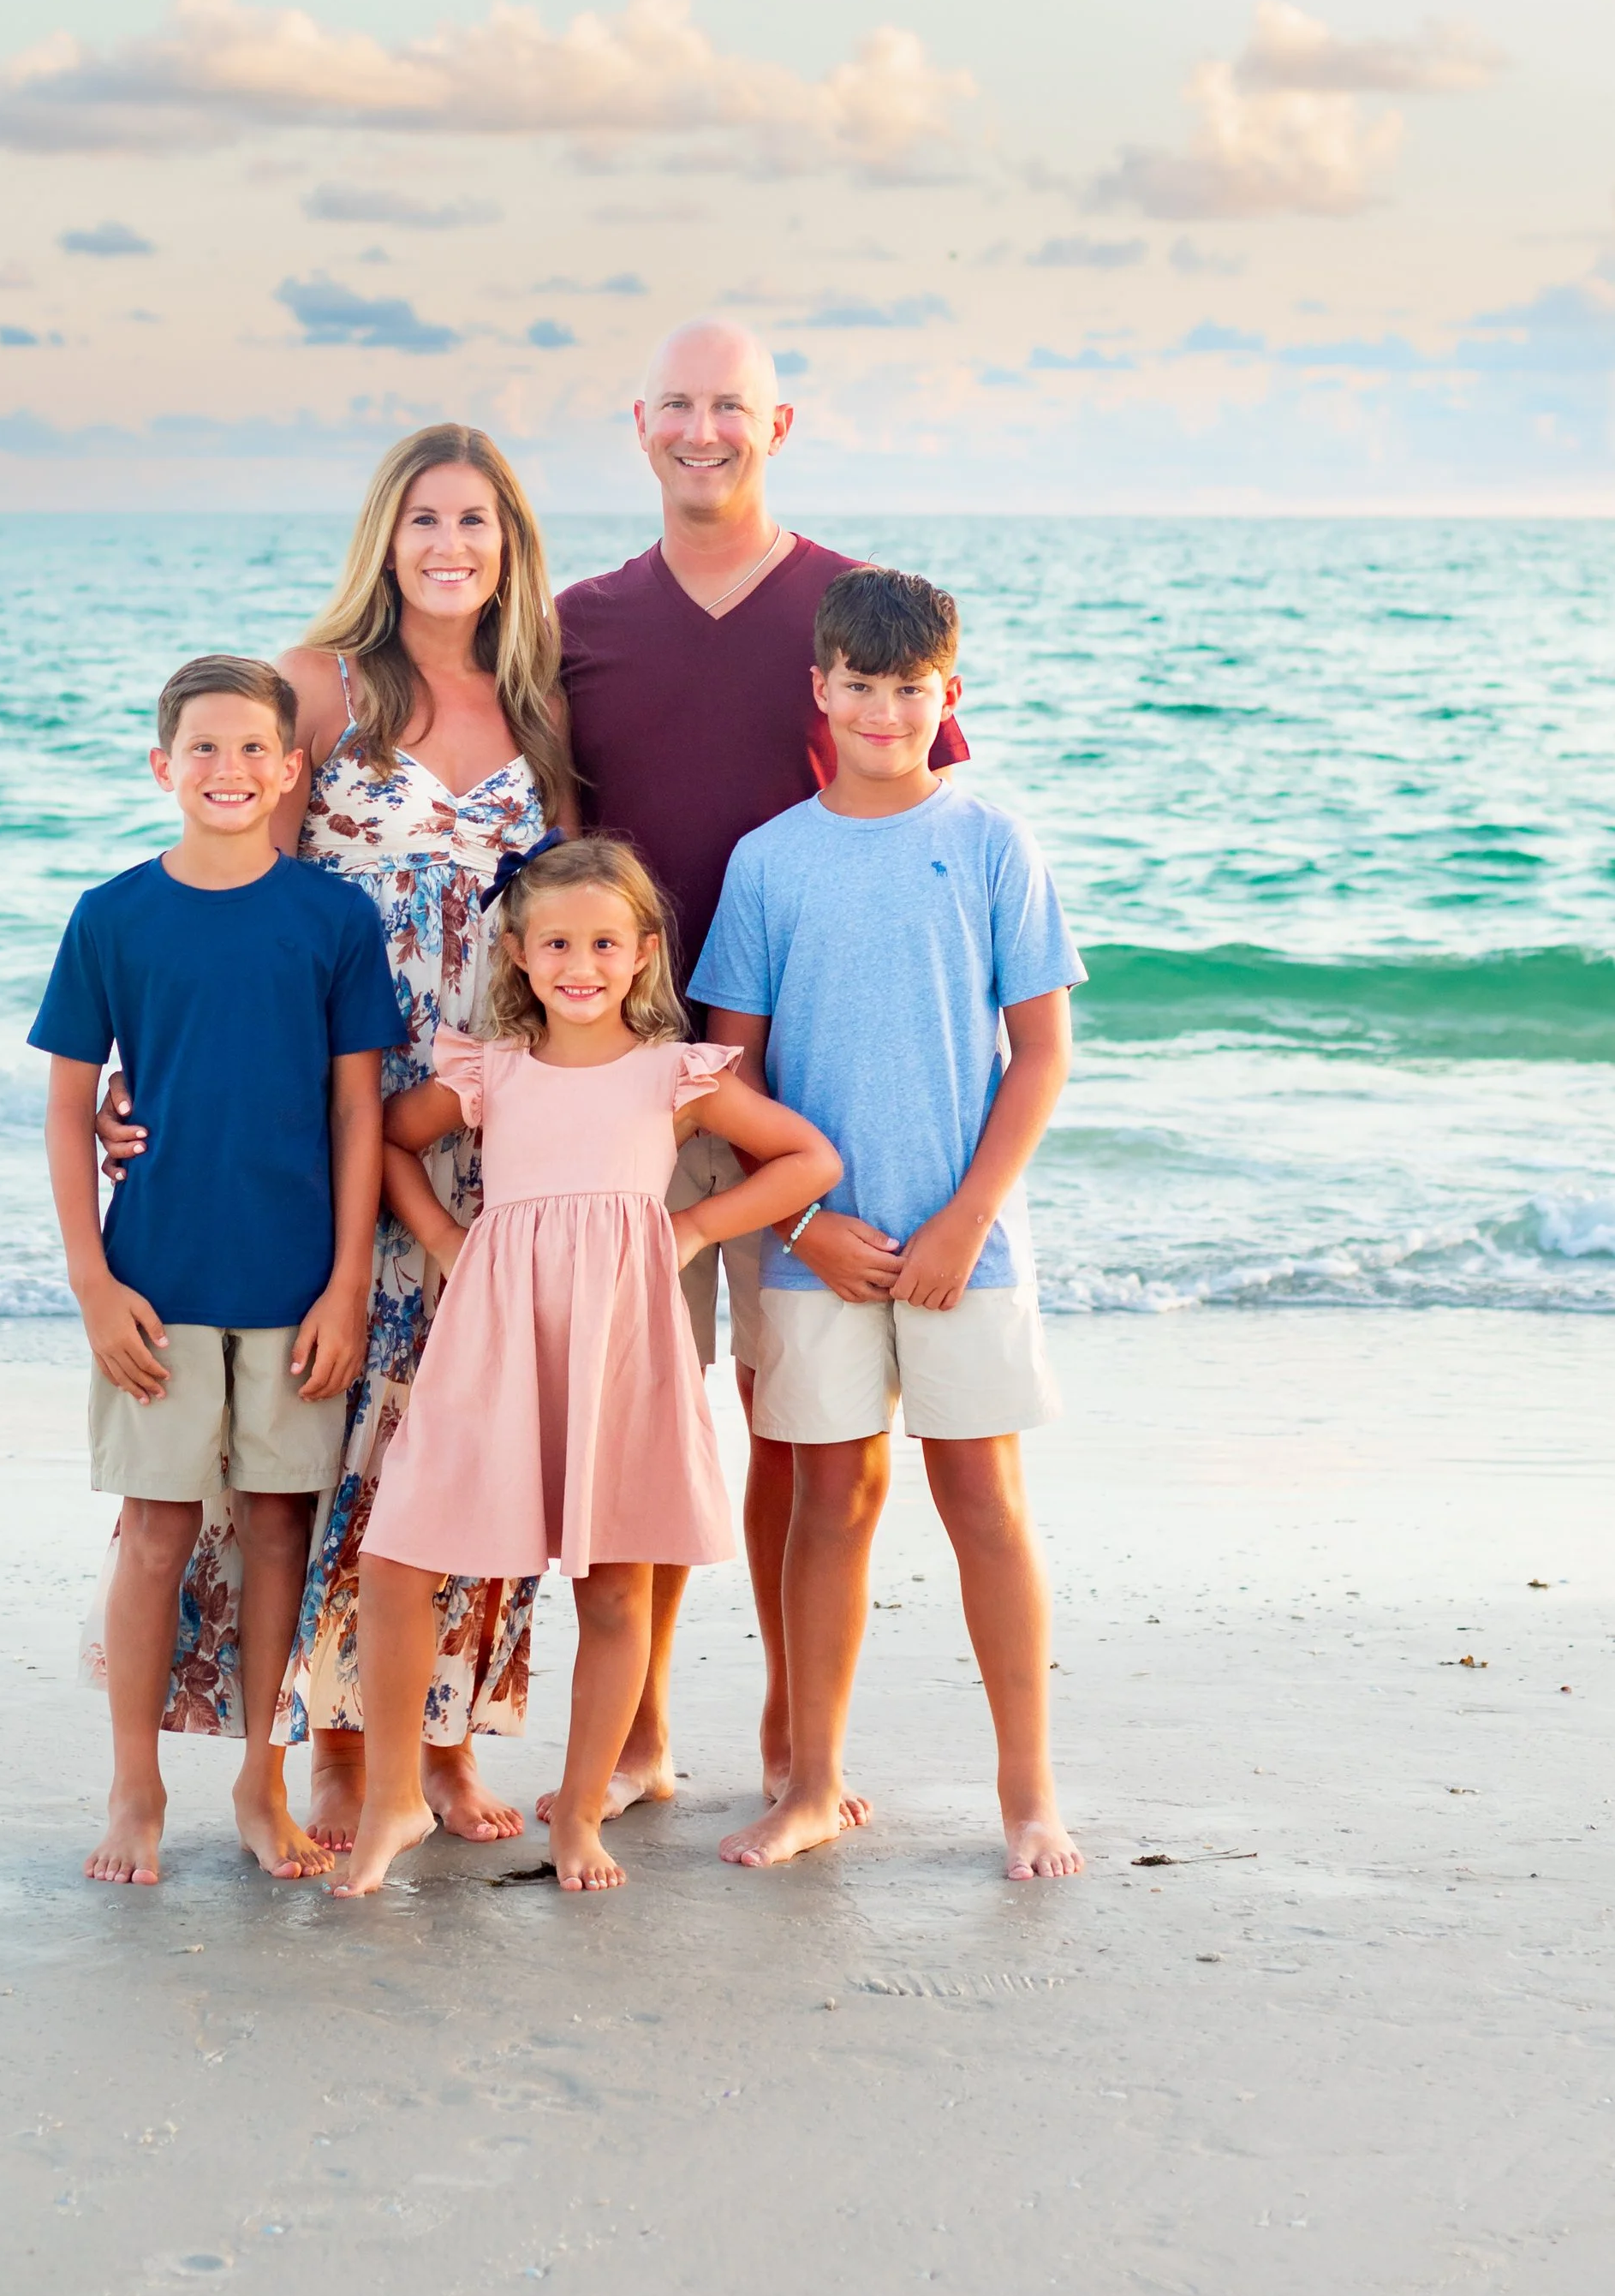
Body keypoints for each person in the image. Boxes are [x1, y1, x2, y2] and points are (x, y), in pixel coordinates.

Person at [95, 426, 577, 1852]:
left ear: (510, 543)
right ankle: (318, 1750)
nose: (449, 544)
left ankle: (443, 1739)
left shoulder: (540, 707)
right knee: (328, 1440)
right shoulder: (314, 689)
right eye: (424, 517)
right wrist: (146, 1079)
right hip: (330, 1118)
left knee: (475, 1437)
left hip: (496, 1123)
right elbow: (219, 881)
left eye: (476, 521)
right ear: (385, 533)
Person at [550, 317, 968, 1822]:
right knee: (640, 1421)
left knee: (805, 1435)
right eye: (679, 404)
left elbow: (927, 835)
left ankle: (801, 1756)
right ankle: (644, 1732)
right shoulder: (580, 619)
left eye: (732, 404)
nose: (704, 429)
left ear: (777, 424)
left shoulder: (849, 615)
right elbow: (519, 845)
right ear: (639, 422)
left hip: (800, 1104)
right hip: (622, 1091)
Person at [334, 838, 841, 1897]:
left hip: (621, 1333)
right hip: (493, 1329)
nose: (581, 963)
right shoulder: (492, 1070)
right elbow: (385, 1140)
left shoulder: (676, 1076)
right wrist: (438, 1236)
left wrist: (696, 1224)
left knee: (614, 1585)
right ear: (517, 954)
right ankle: (390, 1798)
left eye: (605, 943)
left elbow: (809, 1159)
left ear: (643, 952)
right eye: (557, 942)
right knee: (397, 1560)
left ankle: (579, 1816)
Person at [689, 567, 1085, 1878]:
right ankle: (812, 1782)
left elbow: (1039, 1054)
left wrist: (971, 1215)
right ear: (820, 689)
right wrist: (802, 1227)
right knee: (830, 1499)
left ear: (947, 696)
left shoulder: (989, 846)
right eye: (857, 686)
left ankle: (1027, 1794)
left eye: (907, 689)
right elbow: (726, 1076)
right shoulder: (768, 861)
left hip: (964, 1240)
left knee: (983, 1497)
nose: (880, 710)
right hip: (816, 1251)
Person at [32, 655, 404, 1887]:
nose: (230, 769)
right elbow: (69, 1106)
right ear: (161, 765)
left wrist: (349, 1280)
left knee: (282, 1528)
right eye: (203, 747)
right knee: (155, 1531)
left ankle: (263, 1777)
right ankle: (134, 1784)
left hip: (298, 1286)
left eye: (256, 748)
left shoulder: (332, 920)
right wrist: (93, 1280)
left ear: (294, 767)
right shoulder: (113, 914)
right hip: (159, 1283)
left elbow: (360, 1115)